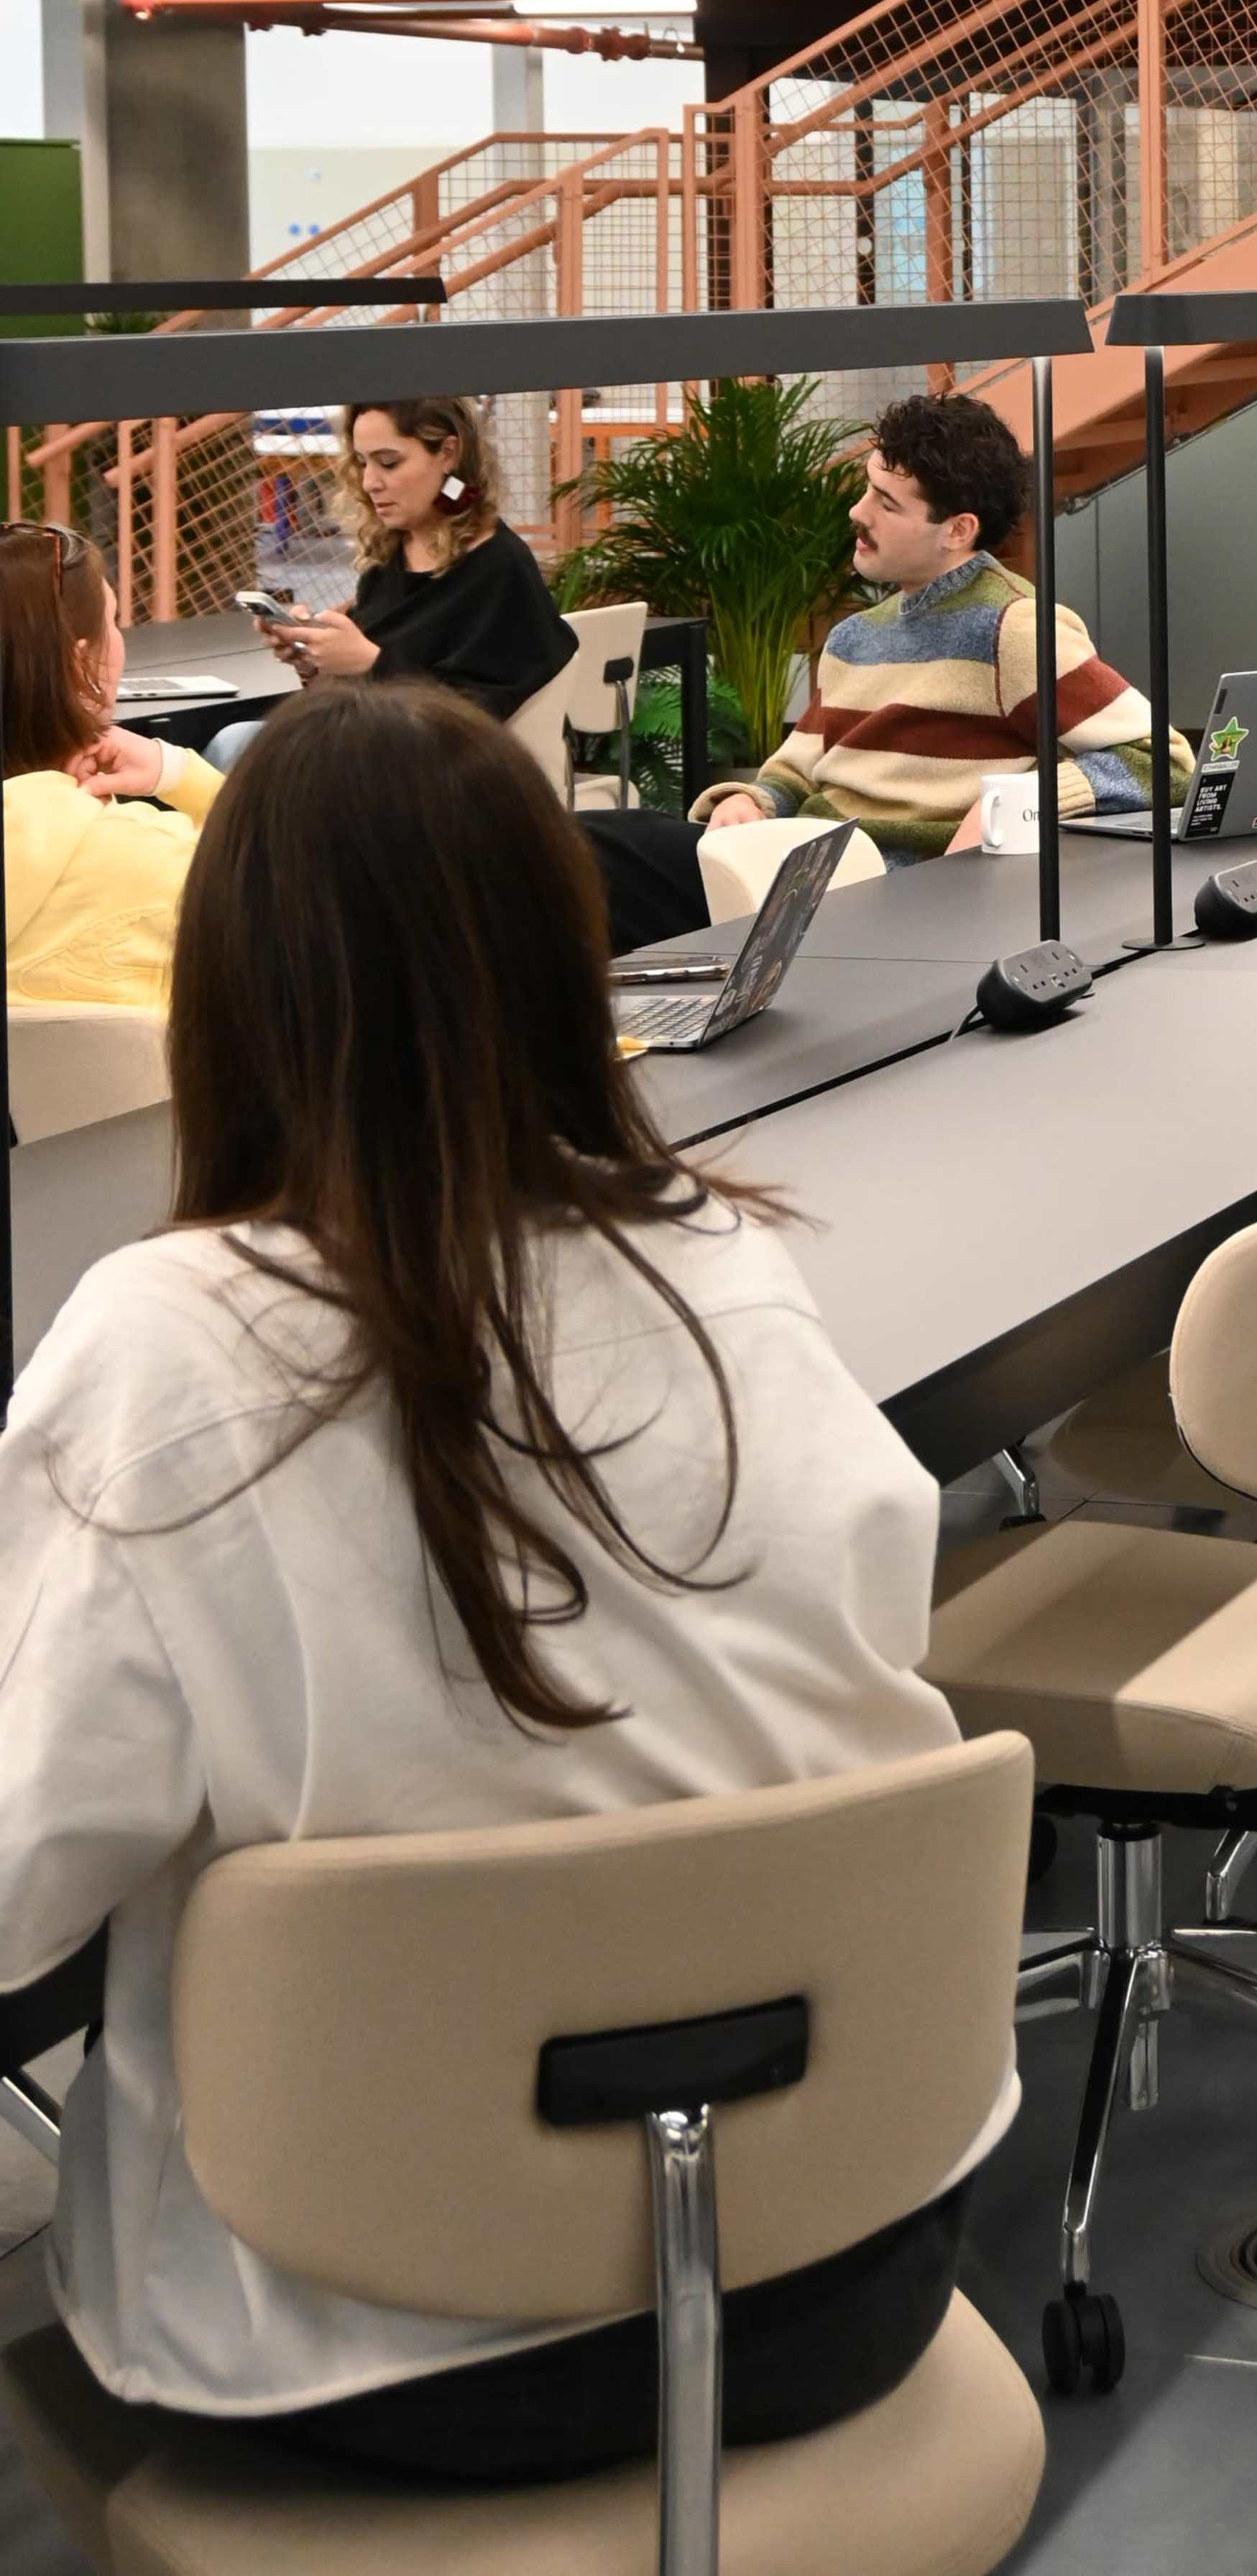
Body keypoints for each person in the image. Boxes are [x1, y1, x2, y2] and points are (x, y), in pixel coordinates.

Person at [0, 681, 1005, 2478]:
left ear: (229, 990)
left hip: (364, 2340)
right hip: (835, 2253)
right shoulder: (723, 1261)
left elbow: (21, 1880)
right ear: (570, 955)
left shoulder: (164, 1340)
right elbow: (869, 1629)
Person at [581, 387, 1188, 949]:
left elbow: (1163, 759)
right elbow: (795, 774)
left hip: (877, 889)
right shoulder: (853, 638)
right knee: (580, 854)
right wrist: (754, 801)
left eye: (886, 502)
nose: (857, 511)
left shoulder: (1014, 628)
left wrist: (1016, 802)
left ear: (957, 530)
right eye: (868, 487)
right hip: (797, 862)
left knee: (585, 855)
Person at [222, 392, 574, 753]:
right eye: (362, 464)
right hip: (370, 750)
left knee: (237, 747)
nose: (370, 482)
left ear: (448, 454)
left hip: (434, 779)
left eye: (388, 463)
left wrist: (370, 663)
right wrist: (313, 663)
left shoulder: (498, 566)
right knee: (232, 742)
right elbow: (359, 701)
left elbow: (469, 726)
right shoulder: (389, 560)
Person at [2, 516, 222, 1005]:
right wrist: (181, 773)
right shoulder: (165, 859)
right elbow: (314, 882)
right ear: (80, 664)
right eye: (114, 621)